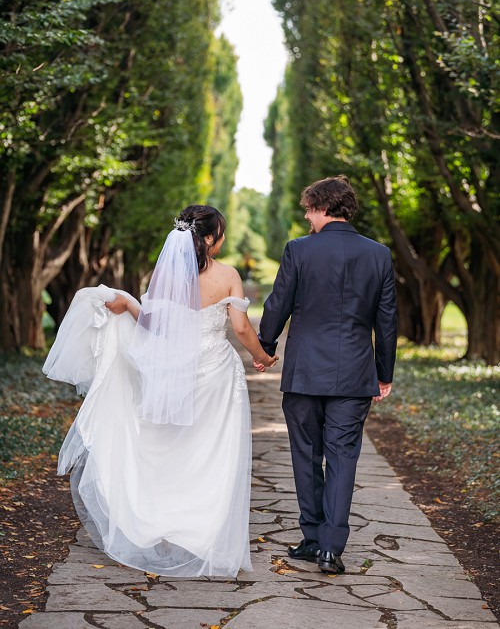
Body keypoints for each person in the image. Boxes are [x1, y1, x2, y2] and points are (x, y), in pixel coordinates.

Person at [43, 205, 278, 577]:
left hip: (173, 372)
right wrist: (263, 357)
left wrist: (131, 307)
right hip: (216, 372)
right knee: (213, 453)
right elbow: (243, 329)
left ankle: (160, 523)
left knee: (170, 450)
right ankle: (203, 536)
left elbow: (155, 324)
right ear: (212, 239)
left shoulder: (166, 273)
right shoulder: (227, 275)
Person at [255, 176, 397, 574]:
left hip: (304, 373)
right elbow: (386, 321)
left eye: (308, 209)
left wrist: (266, 346)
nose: (305, 216)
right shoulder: (379, 254)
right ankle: (331, 548)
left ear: (321, 207)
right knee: (342, 456)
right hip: (354, 373)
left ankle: (313, 538)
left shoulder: (299, 250)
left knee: (306, 454)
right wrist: (384, 372)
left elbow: (278, 302)